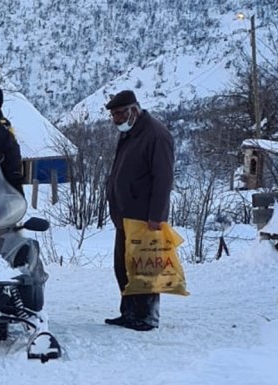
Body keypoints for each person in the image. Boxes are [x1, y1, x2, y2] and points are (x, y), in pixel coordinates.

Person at [104, 90, 175, 332]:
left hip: (144, 216)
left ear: (133, 110)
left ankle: (146, 315)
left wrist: (157, 216)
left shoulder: (156, 135)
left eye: (119, 114)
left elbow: (163, 179)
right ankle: (130, 312)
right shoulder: (130, 133)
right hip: (124, 214)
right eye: (113, 115)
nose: (115, 119)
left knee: (144, 266)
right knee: (123, 266)